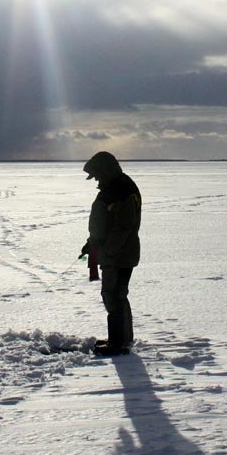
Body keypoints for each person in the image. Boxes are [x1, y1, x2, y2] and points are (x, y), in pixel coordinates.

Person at [81, 151, 141, 357]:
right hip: (116, 253)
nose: (96, 179)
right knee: (116, 295)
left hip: (119, 255)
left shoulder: (121, 190)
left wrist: (107, 250)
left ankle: (118, 343)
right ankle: (121, 339)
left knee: (114, 296)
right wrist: (92, 244)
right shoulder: (113, 188)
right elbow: (103, 225)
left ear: (105, 171)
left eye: (97, 175)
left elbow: (124, 226)